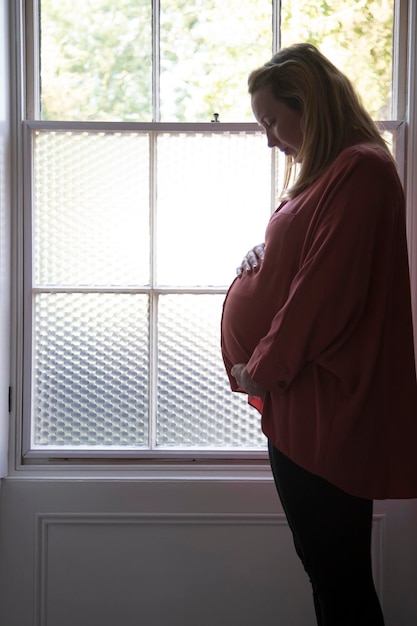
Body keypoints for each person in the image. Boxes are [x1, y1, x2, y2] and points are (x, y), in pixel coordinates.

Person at [220, 43, 417, 626]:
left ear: (309, 105)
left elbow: (323, 296)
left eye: (272, 121)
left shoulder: (361, 170)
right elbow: (309, 262)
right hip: (304, 400)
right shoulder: (335, 173)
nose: (269, 138)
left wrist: (263, 366)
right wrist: (267, 250)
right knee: (327, 574)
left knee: (340, 579)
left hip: (324, 404)